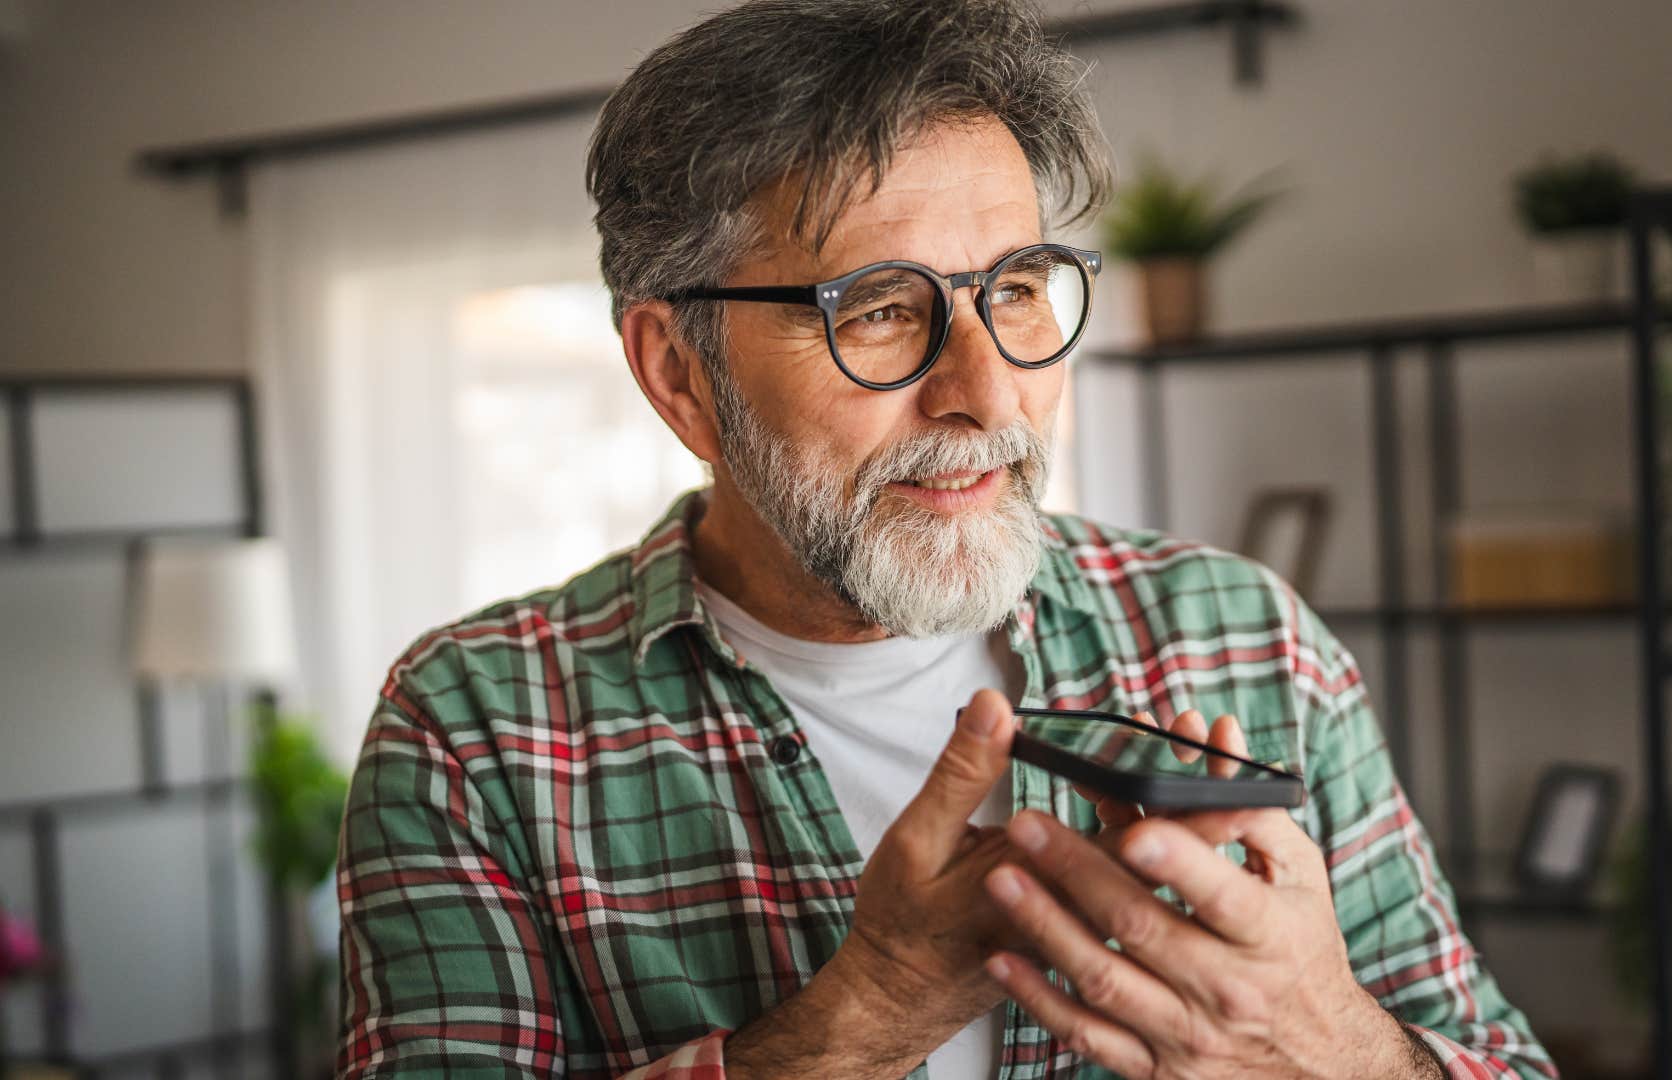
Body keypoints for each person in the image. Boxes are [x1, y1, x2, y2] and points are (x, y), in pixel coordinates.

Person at [335, 2, 1558, 1078]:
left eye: (1018, 289)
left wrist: (1323, 1042)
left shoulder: (1246, 640)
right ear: (678, 374)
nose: (986, 389)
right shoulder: (476, 732)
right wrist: (867, 1015)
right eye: (878, 310)